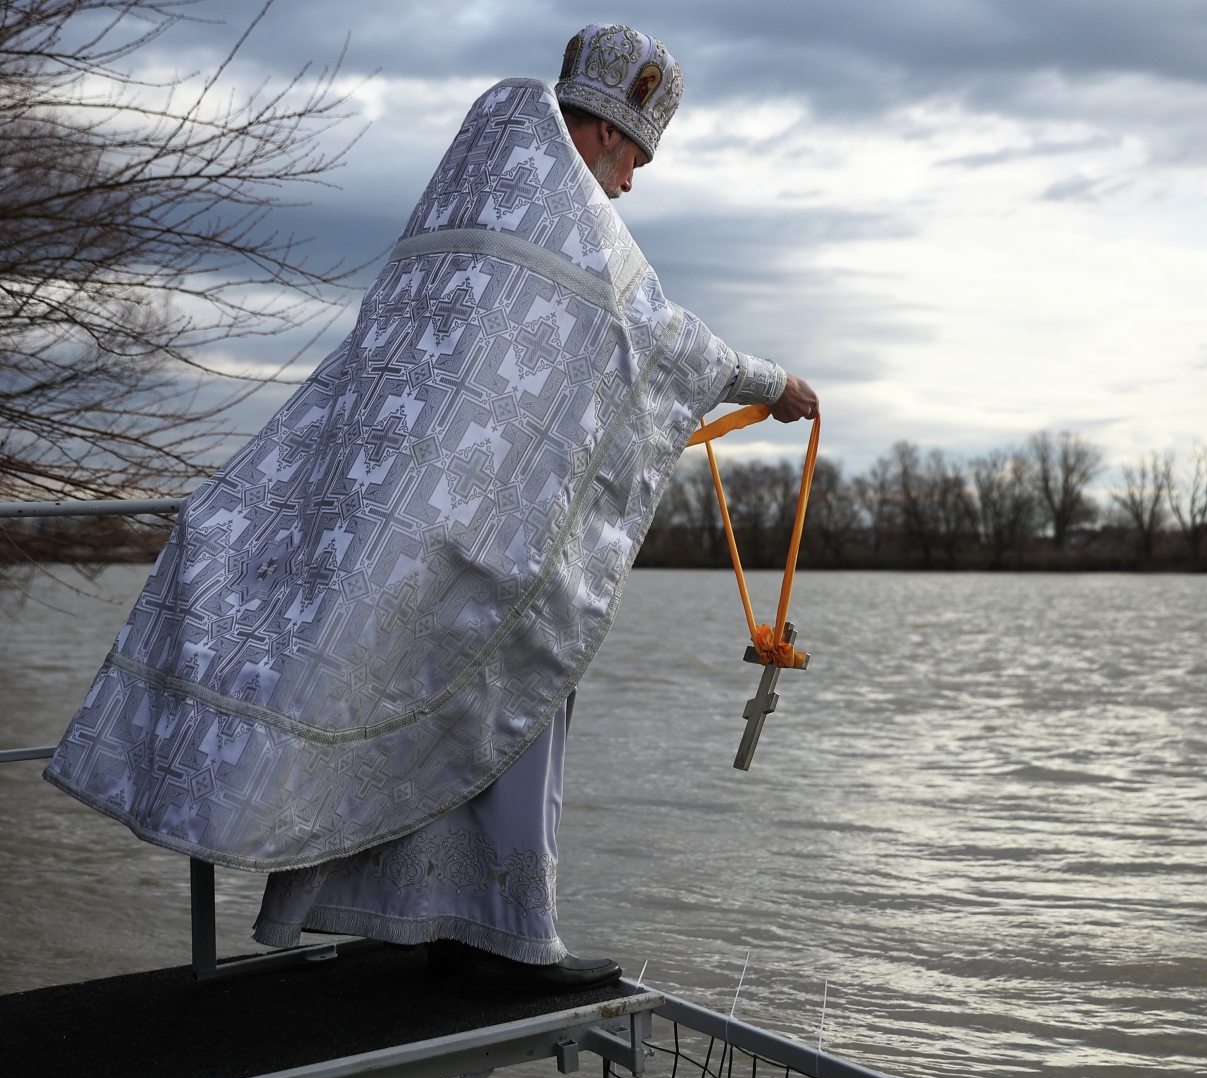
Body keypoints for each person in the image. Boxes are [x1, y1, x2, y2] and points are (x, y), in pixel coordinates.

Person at [44, 24, 817, 991]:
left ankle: (421, 913)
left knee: (431, 695)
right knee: (519, 677)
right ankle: (507, 932)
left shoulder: (476, 189)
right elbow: (654, 337)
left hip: (402, 510)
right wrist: (771, 379)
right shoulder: (567, 220)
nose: (627, 191)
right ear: (611, 138)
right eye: (636, 166)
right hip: (477, 532)